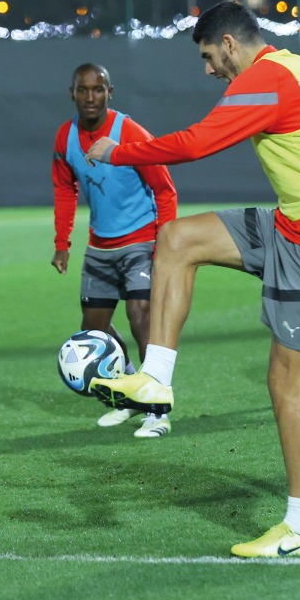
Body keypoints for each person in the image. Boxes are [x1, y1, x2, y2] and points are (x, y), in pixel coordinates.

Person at [85, 0, 300, 557]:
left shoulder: (266, 79)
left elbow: (197, 143)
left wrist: (120, 152)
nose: (208, 71)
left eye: (208, 57)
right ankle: (155, 378)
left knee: (286, 385)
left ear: (229, 44)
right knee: (177, 239)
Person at [52, 63, 179, 438]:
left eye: (98, 89)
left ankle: (157, 410)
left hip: (140, 240)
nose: (90, 97)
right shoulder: (65, 137)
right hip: (99, 247)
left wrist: (166, 244)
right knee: (94, 331)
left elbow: (165, 188)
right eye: (82, 90)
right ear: (71, 93)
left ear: (111, 92)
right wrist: (62, 245)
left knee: (141, 316)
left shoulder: (129, 132)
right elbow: (64, 188)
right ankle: (127, 397)